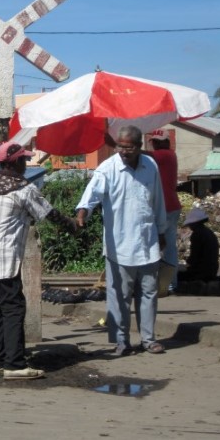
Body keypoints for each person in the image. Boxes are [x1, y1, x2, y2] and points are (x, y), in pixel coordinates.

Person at [0, 142, 77, 380]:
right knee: (13, 309)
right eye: (24, 160)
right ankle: (15, 365)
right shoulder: (22, 188)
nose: (26, 164)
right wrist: (73, 226)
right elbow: (49, 213)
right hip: (4, 258)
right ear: (15, 162)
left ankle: (1, 360)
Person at [75, 125, 167, 356]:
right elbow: (91, 195)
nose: (124, 151)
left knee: (148, 293)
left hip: (148, 242)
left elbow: (158, 202)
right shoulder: (107, 169)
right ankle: (121, 341)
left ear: (138, 147)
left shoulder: (150, 166)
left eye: (129, 147)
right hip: (120, 244)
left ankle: (148, 339)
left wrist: (162, 231)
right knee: (119, 295)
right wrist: (83, 212)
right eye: (120, 147)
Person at [147, 129, 182, 292]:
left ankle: (166, 284)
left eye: (158, 141)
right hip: (171, 206)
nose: (156, 144)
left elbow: (140, 154)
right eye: (154, 141)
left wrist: (119, 145)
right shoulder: (167, 157)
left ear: (166, 142)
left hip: (164, 208)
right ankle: (170, 283)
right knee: (168, 247)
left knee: (158, 246)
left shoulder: (165, 155)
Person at [178, 208, 219, 283]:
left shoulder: (197, 234)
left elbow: (194, 256)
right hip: (212, 270)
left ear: (194, 223)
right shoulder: (208, 232)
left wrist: (187, 265)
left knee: (176, 275)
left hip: (202, 272)